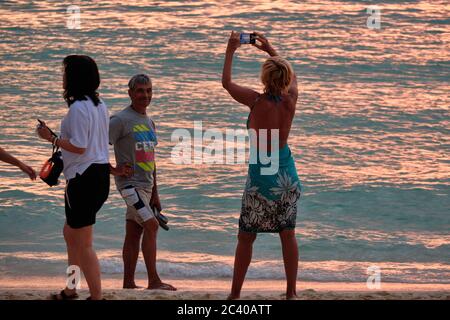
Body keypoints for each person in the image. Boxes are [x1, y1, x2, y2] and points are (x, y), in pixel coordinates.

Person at [222, 31, 302, 300]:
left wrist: (231, 49)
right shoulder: (291, 100)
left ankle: (235, 295)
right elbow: (291, 77)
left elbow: (226, 83)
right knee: (287, 234)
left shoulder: (255, 101)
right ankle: (291, 293)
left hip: (262, 177)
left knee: (246, 236)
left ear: (264, 79)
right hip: (286, 175)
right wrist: (270, 49)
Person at [37, 55, 110, 300]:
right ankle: (70, 289)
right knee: (71, 234)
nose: (63, 77)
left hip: (83, 178)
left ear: (74, 78)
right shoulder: (100, 105)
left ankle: (96, 296)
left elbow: (78, 146)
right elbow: (91, 145)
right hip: (98, 175)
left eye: (66, 73)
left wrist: (51, 138)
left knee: (84, 242)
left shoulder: (78, 108)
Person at [109, 74, 176, 291]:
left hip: (146, 187)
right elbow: (96, 148)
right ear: (130, 93)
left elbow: (151, 159)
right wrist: (114, 170)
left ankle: (128, 283)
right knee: (151, 225)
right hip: (129, 186)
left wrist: (156, 193)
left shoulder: (149, 122)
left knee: (134, 232)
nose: (144, 95)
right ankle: (154, 281)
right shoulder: (119, 120)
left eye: (148, 91)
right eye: (139, 90)